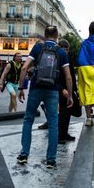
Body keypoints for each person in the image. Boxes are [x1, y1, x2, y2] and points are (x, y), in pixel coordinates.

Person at [16, 26, 73, 169]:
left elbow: (24, 68)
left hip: (36, 88)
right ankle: (51, 160)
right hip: (52, 90)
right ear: (57, 36)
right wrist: (70, 95)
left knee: (28, 119)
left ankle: (24, 154)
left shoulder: (37, 48)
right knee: (53, 123)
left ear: (44, 35)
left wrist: (21, 87)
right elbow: (68, 76)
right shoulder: (61, 52)